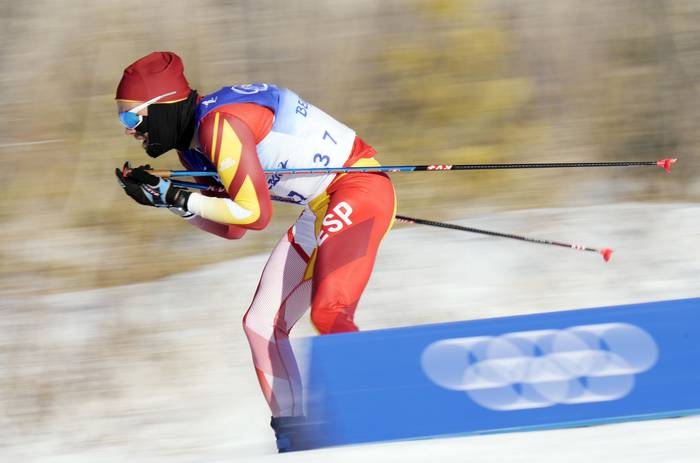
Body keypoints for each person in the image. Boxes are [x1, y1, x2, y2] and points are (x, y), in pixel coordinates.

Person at [114, 51, 396, 452]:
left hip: (357, 188)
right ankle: (298, 438)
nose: (128, 130)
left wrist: (179, 195)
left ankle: (383, 410)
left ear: (160, 108)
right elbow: (233, 227)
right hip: (319, 206)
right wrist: (170, 201)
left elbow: (254, 213)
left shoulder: (218, 126)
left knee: (329, 311)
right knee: (261, 324)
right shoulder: (193, 149)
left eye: (131, 117)